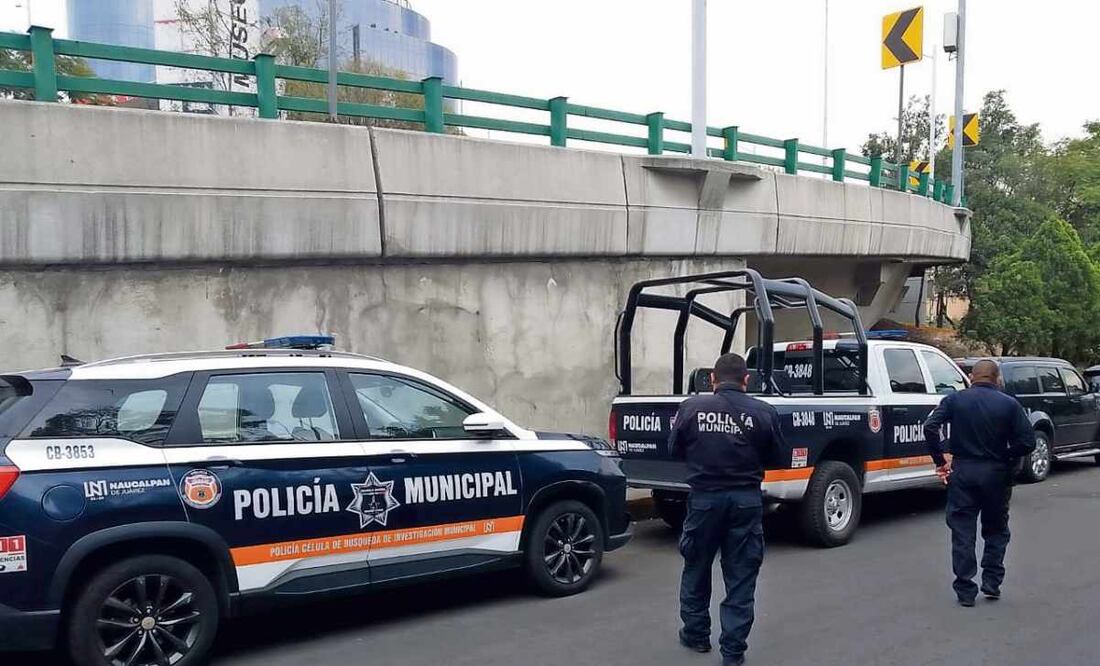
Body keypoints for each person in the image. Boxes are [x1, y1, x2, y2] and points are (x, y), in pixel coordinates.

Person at [669, 353, 784, 666]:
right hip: (746, 501)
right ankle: (733, 653)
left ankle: (696, 634)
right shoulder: (764, 412)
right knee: (741, 576)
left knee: (696, 565)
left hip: (704, 500)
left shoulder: (691, 408)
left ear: (712, 380)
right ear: (746, 380)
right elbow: (777, 457)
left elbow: (674, 448)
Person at [922, 359, 1035, 607]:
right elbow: (1028, 442)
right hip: (996, 474)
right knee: (996, 529)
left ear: (972, 377)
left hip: (963, 471)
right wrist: (1006, 454)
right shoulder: (1009, 404)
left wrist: (940, 460)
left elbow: (930, 426)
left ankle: (965, 589)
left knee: (962, 530)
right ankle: (992, 582)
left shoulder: (955, 400)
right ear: (997, 379)